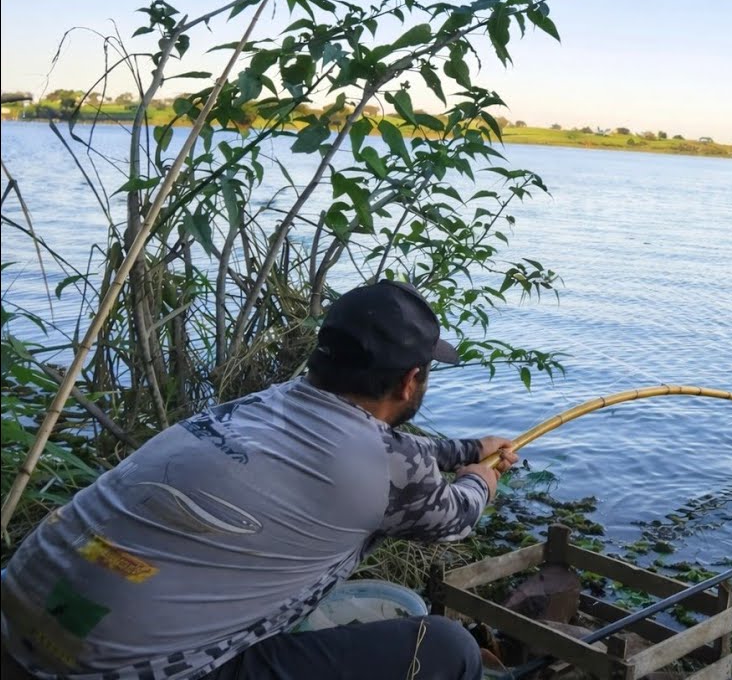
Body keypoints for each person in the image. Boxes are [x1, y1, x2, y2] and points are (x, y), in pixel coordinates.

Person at [0, 280, 519, 680]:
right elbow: (457, 517)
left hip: (17, 623)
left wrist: (468, 450)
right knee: (447, 649)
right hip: (111, 671)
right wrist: (480, 476)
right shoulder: (387, 466)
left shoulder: (263, 407)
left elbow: (387, 461)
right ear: (410, 381)